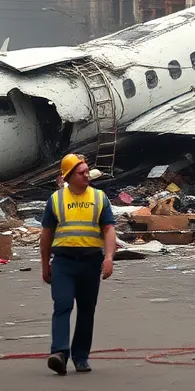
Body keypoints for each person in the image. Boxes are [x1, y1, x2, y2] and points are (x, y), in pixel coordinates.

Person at [39, 154, 117, 376]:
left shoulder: (100, 198)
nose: (86, 176)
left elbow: (109, 229)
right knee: (62, 305)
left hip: (90, 262)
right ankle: (60, 354)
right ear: (69, 176)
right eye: (81, 173)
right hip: (63, 262)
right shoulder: (55, 200)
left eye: (86, 172)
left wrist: (109, 257)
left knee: (86, 310)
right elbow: (46, 236)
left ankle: (81, 357)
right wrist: (45, 265)